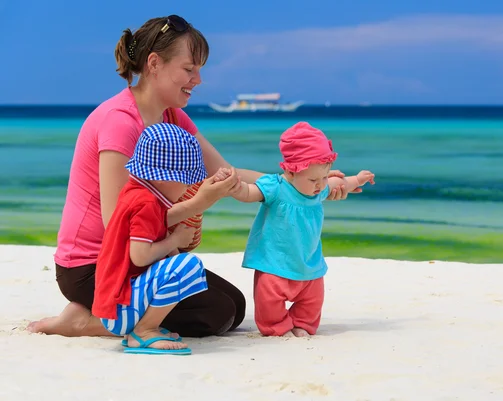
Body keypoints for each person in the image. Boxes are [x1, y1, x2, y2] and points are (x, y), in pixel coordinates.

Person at [27, 15, 354, 339]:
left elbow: (225, 173)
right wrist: (198, 204)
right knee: (217, 314)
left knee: (235, 306)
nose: (198, 80)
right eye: (189, 69)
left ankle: (100, 312)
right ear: (154, 64)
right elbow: (118, 225)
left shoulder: (172, 115)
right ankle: (88, 322)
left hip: (140, 257)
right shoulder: (120, 122)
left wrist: (302, 180)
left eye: (199, 70)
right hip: (94, 266)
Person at [223, 121, 375, 337]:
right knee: (269, 302)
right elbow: (249, 194)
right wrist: (235, 187)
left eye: (324, 177)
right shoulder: (275, 187)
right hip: (274, 263)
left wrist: (358, 179)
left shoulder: (319, 191)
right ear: (291, 172)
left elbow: (340, 184)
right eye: (313, 179)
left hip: (308, 262)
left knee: (312, 300)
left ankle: (302, 324)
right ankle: (278, 327)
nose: (320, 184)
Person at [94, 123, 217, 355]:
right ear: (163, 178)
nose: (188, 186)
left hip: (114, 303)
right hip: (120, 309)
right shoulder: (147, 204)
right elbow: (140, 257)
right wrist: (176, 239)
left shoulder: (136, 190)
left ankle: (144, 328)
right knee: (190, 265)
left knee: (181, 265)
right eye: (185, 180)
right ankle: (145, 331)